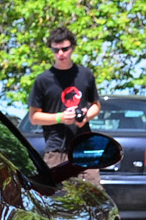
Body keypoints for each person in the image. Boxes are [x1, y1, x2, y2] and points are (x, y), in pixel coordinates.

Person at [28, 26, 102, 185]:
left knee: (93, 195)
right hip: (56, 149)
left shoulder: (85, 75)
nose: (60, 54)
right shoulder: (43, 80)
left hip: (84, 147)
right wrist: (60, 117)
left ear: (72, 48)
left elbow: (96, 105)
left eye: (64, 49)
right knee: (56, 199)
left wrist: (86, 116)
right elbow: (34, 117)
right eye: (56, 50)